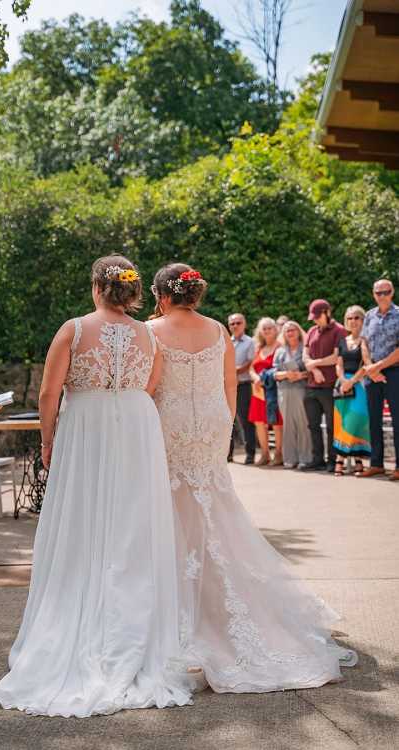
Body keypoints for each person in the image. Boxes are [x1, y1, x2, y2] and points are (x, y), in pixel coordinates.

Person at [0, 255, 196, 718]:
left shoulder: (74, 328)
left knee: (82, 524)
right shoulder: (150, 333)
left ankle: (81, 621)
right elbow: (150, 385)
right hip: (136, 431)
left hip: (87, 428)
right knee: (131, 529)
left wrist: (47, 440)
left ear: (98, 288)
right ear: (132, 292)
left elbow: (48, 392)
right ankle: (131, 633)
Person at [149, 263, 357, 693]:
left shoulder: (151, 331)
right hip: (210, 424)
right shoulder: (219, 331)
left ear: (162, 294)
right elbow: (229, 384)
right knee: (215, 506)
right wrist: (224, 424)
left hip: (169, 424)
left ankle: (179, 607)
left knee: (171, 506)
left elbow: (149, 387)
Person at [357, 280, 399, 480]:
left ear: (392, 293)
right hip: (372, 374)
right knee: (374, 421)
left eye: (386, 292)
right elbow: (364, 343)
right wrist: (370, 368)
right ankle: (376, 464)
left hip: (394, 372)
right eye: (378, 292)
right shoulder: (369, 315)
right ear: (373, 294)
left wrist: (378, 367)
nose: (382, 295)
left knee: (398, 420)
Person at [301, 300, 346, 473]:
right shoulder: (312, 331)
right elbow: (305, 355)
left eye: (318, 317)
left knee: (331, 425)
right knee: (313, 425)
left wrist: (314, 364)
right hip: (312, 385)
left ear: (327, 312)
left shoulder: (339, 330)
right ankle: (317, 459)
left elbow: (336, 357)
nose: (315, 320)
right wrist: (315, 369)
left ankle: (332, 461)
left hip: (330, 385)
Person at [333, 306, 371, 476]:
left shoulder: (366, 340)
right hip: (342, 385)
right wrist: (343, 380)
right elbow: (338, 363)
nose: (353, 321)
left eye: (357, 318)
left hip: (360, 384)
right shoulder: (342, 341)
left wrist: (352, 381)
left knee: (354, 420)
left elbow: (366, 364)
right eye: (350, 318)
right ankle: (357, 460)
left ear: (363, 320)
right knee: (342, 421)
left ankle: (339, 459)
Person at [272, 321, 311, 469]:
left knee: (303, 424)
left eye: (293, 330)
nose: (290, 333)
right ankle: (290, 458)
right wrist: (286, 374)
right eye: (287, 331)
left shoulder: (306, 349)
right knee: (288, 425)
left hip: (302, 389)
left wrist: (300, 375)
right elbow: (274, 373)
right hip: (284, 390)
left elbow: (311, 370)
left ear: (299, 331)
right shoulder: (280, 351)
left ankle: (306, 457)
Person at [248, 318, 283, 466]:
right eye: (264, 328)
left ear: (275, 330)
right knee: (259, 421)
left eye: (270, 328)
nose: (267, 330)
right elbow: (251, 367)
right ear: (260, 332)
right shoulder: (257, 348)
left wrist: (265, 378)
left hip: (273, 390)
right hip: (258, 391)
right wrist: (255, 377)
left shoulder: (280, 346)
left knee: (275, 421)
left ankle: (279, 454)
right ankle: (264, 453)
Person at [227, 313, 256, 464]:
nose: (235, 326)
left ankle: (250, 453)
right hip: (228, 386)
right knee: (227, 420)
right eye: (232, 324)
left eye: (238, 323)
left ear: (244, 324)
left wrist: (231, 371)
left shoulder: (250, 342)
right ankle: (228, 454)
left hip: (244, 386)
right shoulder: (227, 342)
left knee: (246, 421)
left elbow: (249, 364)